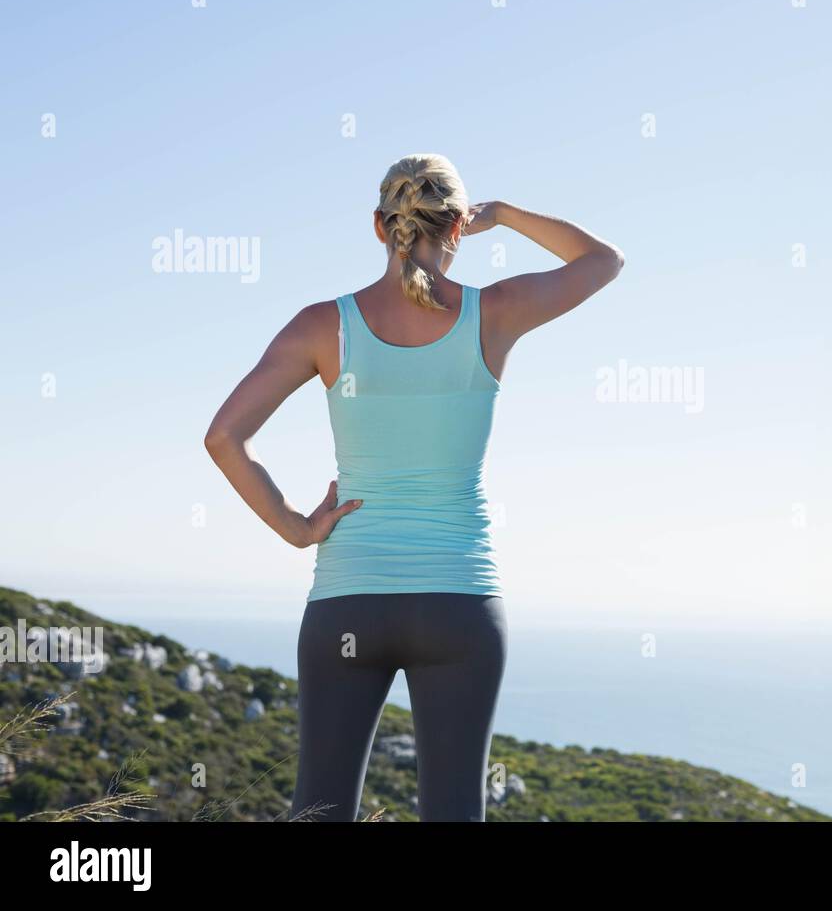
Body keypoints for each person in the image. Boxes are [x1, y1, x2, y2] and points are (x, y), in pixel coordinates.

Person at [203, 153, 623, 820]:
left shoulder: (323, 325)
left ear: (380, 226)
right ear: (459, 225)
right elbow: (603, 261)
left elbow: (224, 438)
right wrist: (506, 214)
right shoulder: (496, 312)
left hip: (348, 604)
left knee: (317, 810)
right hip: (459, 608)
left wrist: (297, 529)